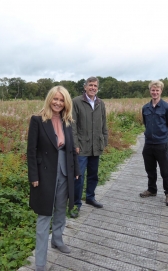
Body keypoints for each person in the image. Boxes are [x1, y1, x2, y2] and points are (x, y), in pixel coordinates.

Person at [27, 86, 80, 271]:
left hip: (65, 171)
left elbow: (71, 147)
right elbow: (31, 151)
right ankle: (40, 263)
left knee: (60, 209)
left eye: (61, 100)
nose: (58, 103)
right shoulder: (37, 120)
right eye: (55, 99)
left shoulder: (67, 121)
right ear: (49, 99)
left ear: (66, 102)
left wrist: (76, 169)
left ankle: (57, 239)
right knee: (44, 215)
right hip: (44, 174)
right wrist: (33, 175)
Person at [70, 76, 108, 218]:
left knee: (93, 174)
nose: (93, 88)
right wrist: (75, 144)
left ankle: (90, 197)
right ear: (85, 87)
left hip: (95, 145)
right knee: (78, 176)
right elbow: (72, 125)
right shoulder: (76, 102)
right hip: (81, 146)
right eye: (90, 85)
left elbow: (104, 123)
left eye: (95, 86)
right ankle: (75, 204)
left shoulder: (100, 103)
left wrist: (104, 140)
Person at [140, 80, 168, 206]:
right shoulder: (145, 108)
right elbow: (146, 123)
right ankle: (152, 189)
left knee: (165, 170)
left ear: (161, 91)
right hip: (148, 144)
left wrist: (166, 140)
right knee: (150, 169)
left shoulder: (167, 107)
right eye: (153, 90)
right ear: (150, 91)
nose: (155, 92)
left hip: (161, 144)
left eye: (157, 90)